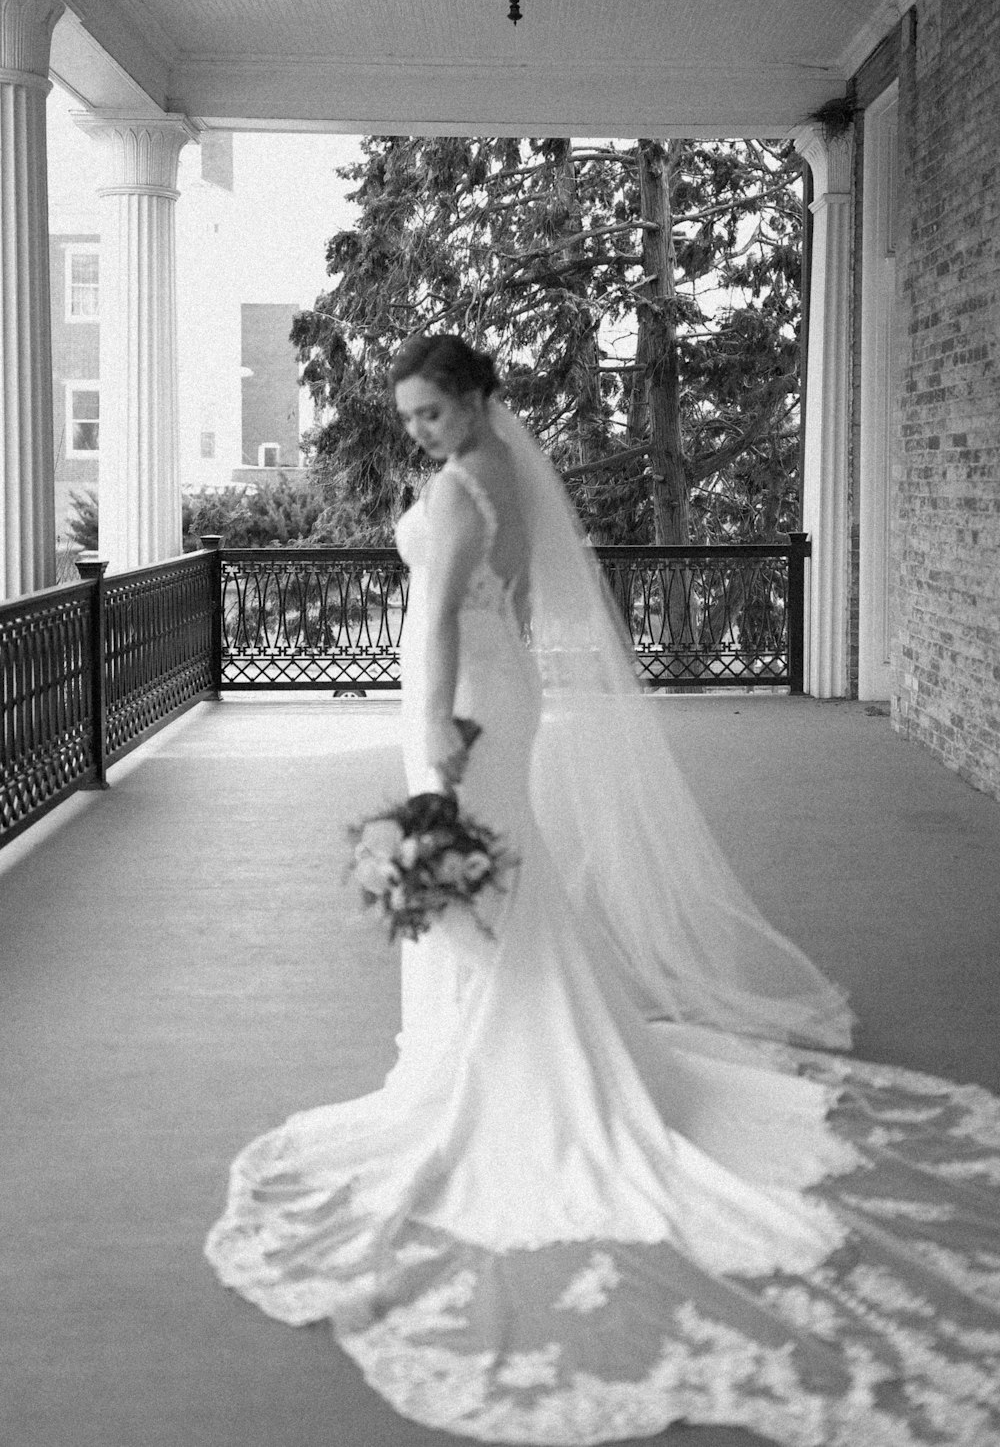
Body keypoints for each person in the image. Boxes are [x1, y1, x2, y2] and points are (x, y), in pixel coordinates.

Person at [206, 335, 1000, 1445]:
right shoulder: (504, 478)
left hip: (458, 703)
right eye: (414, 418)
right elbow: (518, 606)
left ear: (479, 400)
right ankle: (487, 1044)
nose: (420, 432)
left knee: (471, 880)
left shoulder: (452, 493)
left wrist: (432, 743)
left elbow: (430, 626)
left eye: (434, 412)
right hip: (507, 689)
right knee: (504, 880)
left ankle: (480, 1067)